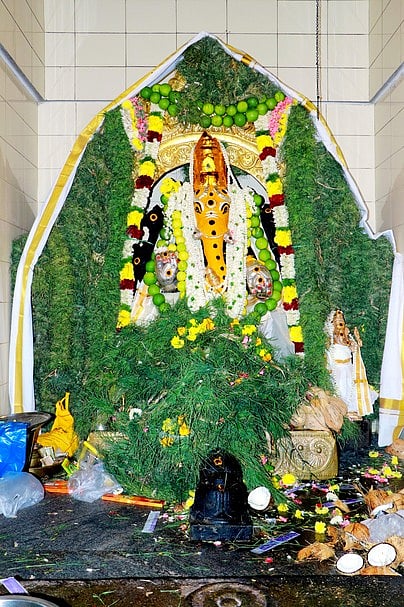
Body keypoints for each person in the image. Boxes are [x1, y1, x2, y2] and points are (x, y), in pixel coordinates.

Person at [325, 310, 377, 419]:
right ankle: (342, 410)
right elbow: (327, 351)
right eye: (337, 319)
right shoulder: (330, 336)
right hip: (337, 368)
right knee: (340, 389)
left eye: (341, 319)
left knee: (350, 388)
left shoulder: (346, 335)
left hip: (348, 367)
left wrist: (357, 340)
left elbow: (354, 347)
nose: (340, 322)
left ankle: (351, 410)